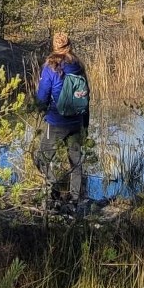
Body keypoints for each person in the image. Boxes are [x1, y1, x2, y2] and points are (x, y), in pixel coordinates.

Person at [33, 31, 89, 209]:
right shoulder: (78, 65)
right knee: (76, 163)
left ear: (54, 47)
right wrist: (85, 123)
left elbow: (42, 96)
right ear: (69, 45)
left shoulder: (50, 66)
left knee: (41, 159)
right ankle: (74, 202)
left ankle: (55, 195)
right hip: (77, 121)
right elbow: (86, 95)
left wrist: (39, 109)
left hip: (56, 121)